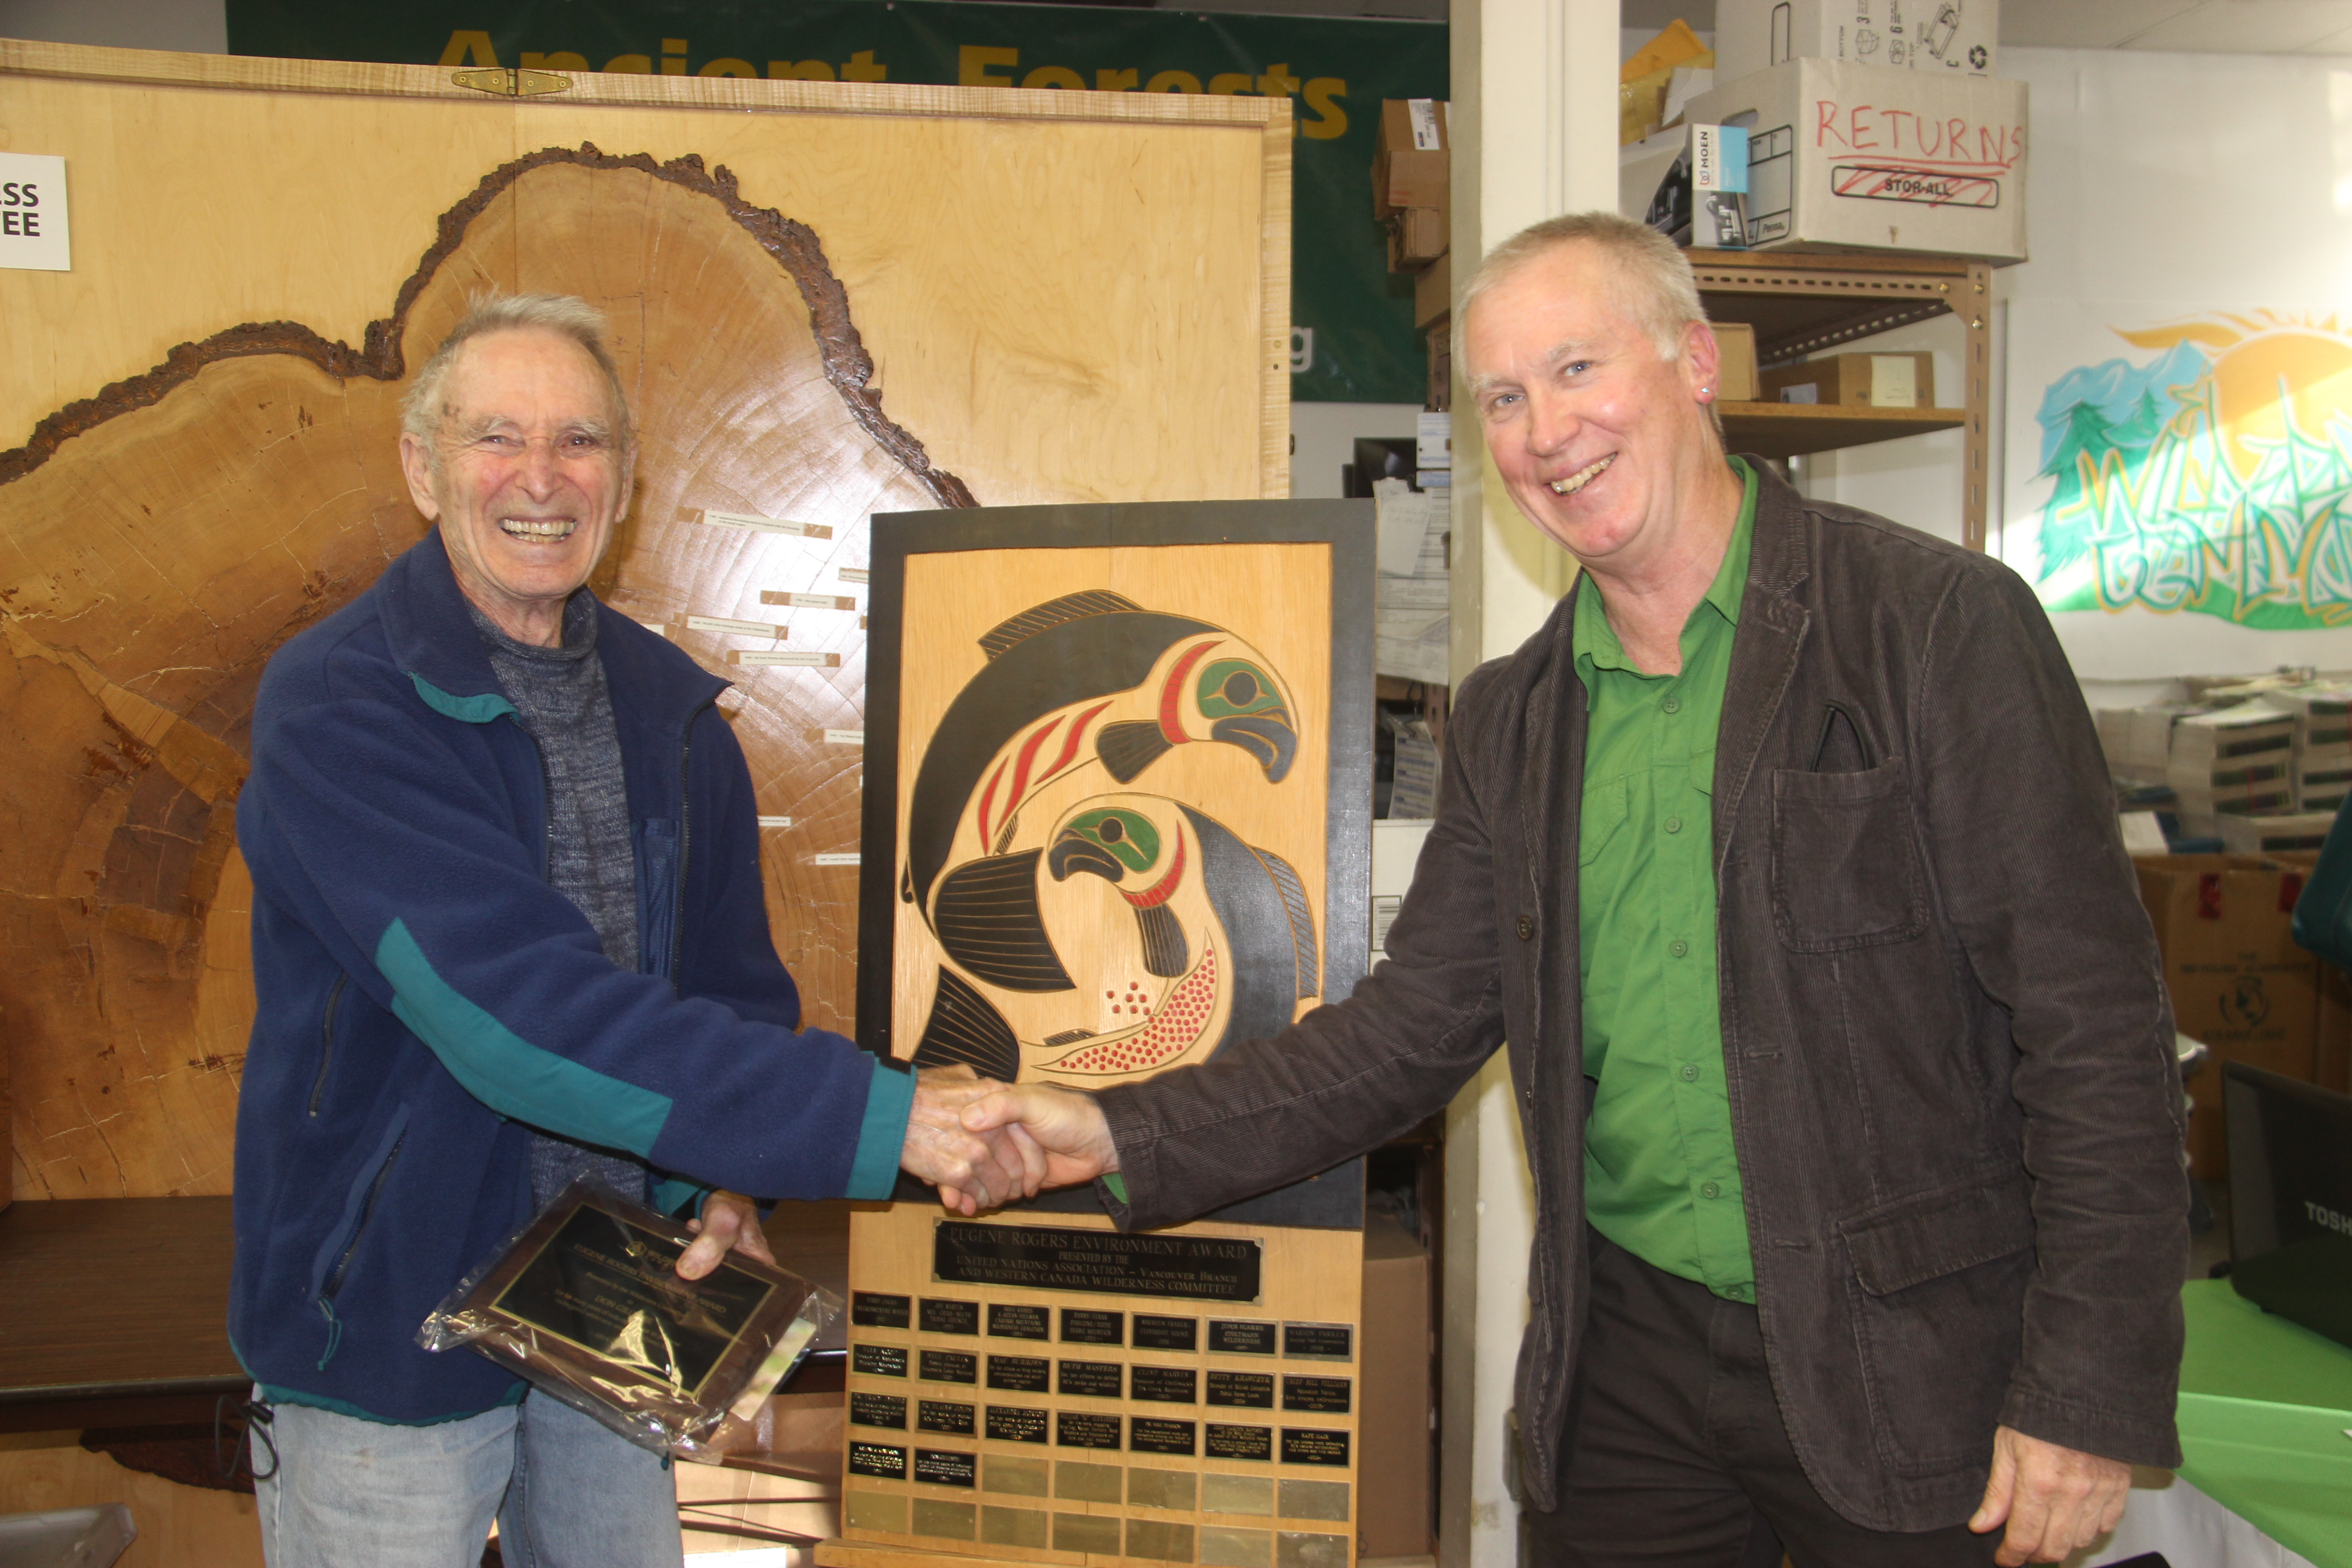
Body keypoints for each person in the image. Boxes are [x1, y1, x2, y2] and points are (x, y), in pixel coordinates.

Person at [963, 214, 2189, 1568]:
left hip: (1911, 1361)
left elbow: (2098, 1034)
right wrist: (1115, 1130)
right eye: (1504, 396)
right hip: (1628, 1368)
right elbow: (1411, 1032)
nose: (1546, 431)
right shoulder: (1516, 718)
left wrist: (2084, 1394)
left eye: (1575, 370)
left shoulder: (1933, 628)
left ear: (1692, 365)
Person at [229, 293, 1027, 1568]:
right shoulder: (338, 704)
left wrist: (714, 1182)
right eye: (497, 438)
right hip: (386, 1319)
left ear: (627, 479)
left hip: (611, 1304)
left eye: (581, 443)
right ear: (422, 468)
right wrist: (886, 1121)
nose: (540, 479)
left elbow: (726, 997)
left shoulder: (669, 711)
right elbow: (511, 1016)